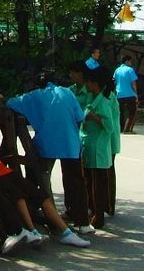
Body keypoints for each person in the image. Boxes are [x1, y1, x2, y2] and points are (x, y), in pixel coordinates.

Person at [0, 96, 86, 249]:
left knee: (40, 195)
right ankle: (31, 230)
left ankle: (66, 232)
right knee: (18, 195)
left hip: (2, 170)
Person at [7, 72, 91, 235]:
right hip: (70, 144)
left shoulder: (35, 96)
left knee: (34, 176)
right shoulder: (67, 92)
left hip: (46, 145)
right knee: (77, 182)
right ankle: (83, 222)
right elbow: (80, 117)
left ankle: (35, 212)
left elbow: (11, 102)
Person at [81, 68, 119, 229]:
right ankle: (93, 212)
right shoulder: (93, 99)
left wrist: (94, 117)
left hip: (99, 148)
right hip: (90, 145)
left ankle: (99, 215)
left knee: (99, 184)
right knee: (90, 182)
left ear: (95, 83)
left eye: (88, 81)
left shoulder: (104, 101)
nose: (86, 84)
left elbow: (110, 126)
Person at [112, 56, 139, 133]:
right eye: (130, 61)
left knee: (120, 112)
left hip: (119, 94)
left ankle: (120, 128)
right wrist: (136, 94)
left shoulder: (117, 70)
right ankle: (127, 129)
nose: (131, 63)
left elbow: (114, 81)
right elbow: (133, 83)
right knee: (131, 112)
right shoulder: (130, 70)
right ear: (126, 61)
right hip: (129, 94)